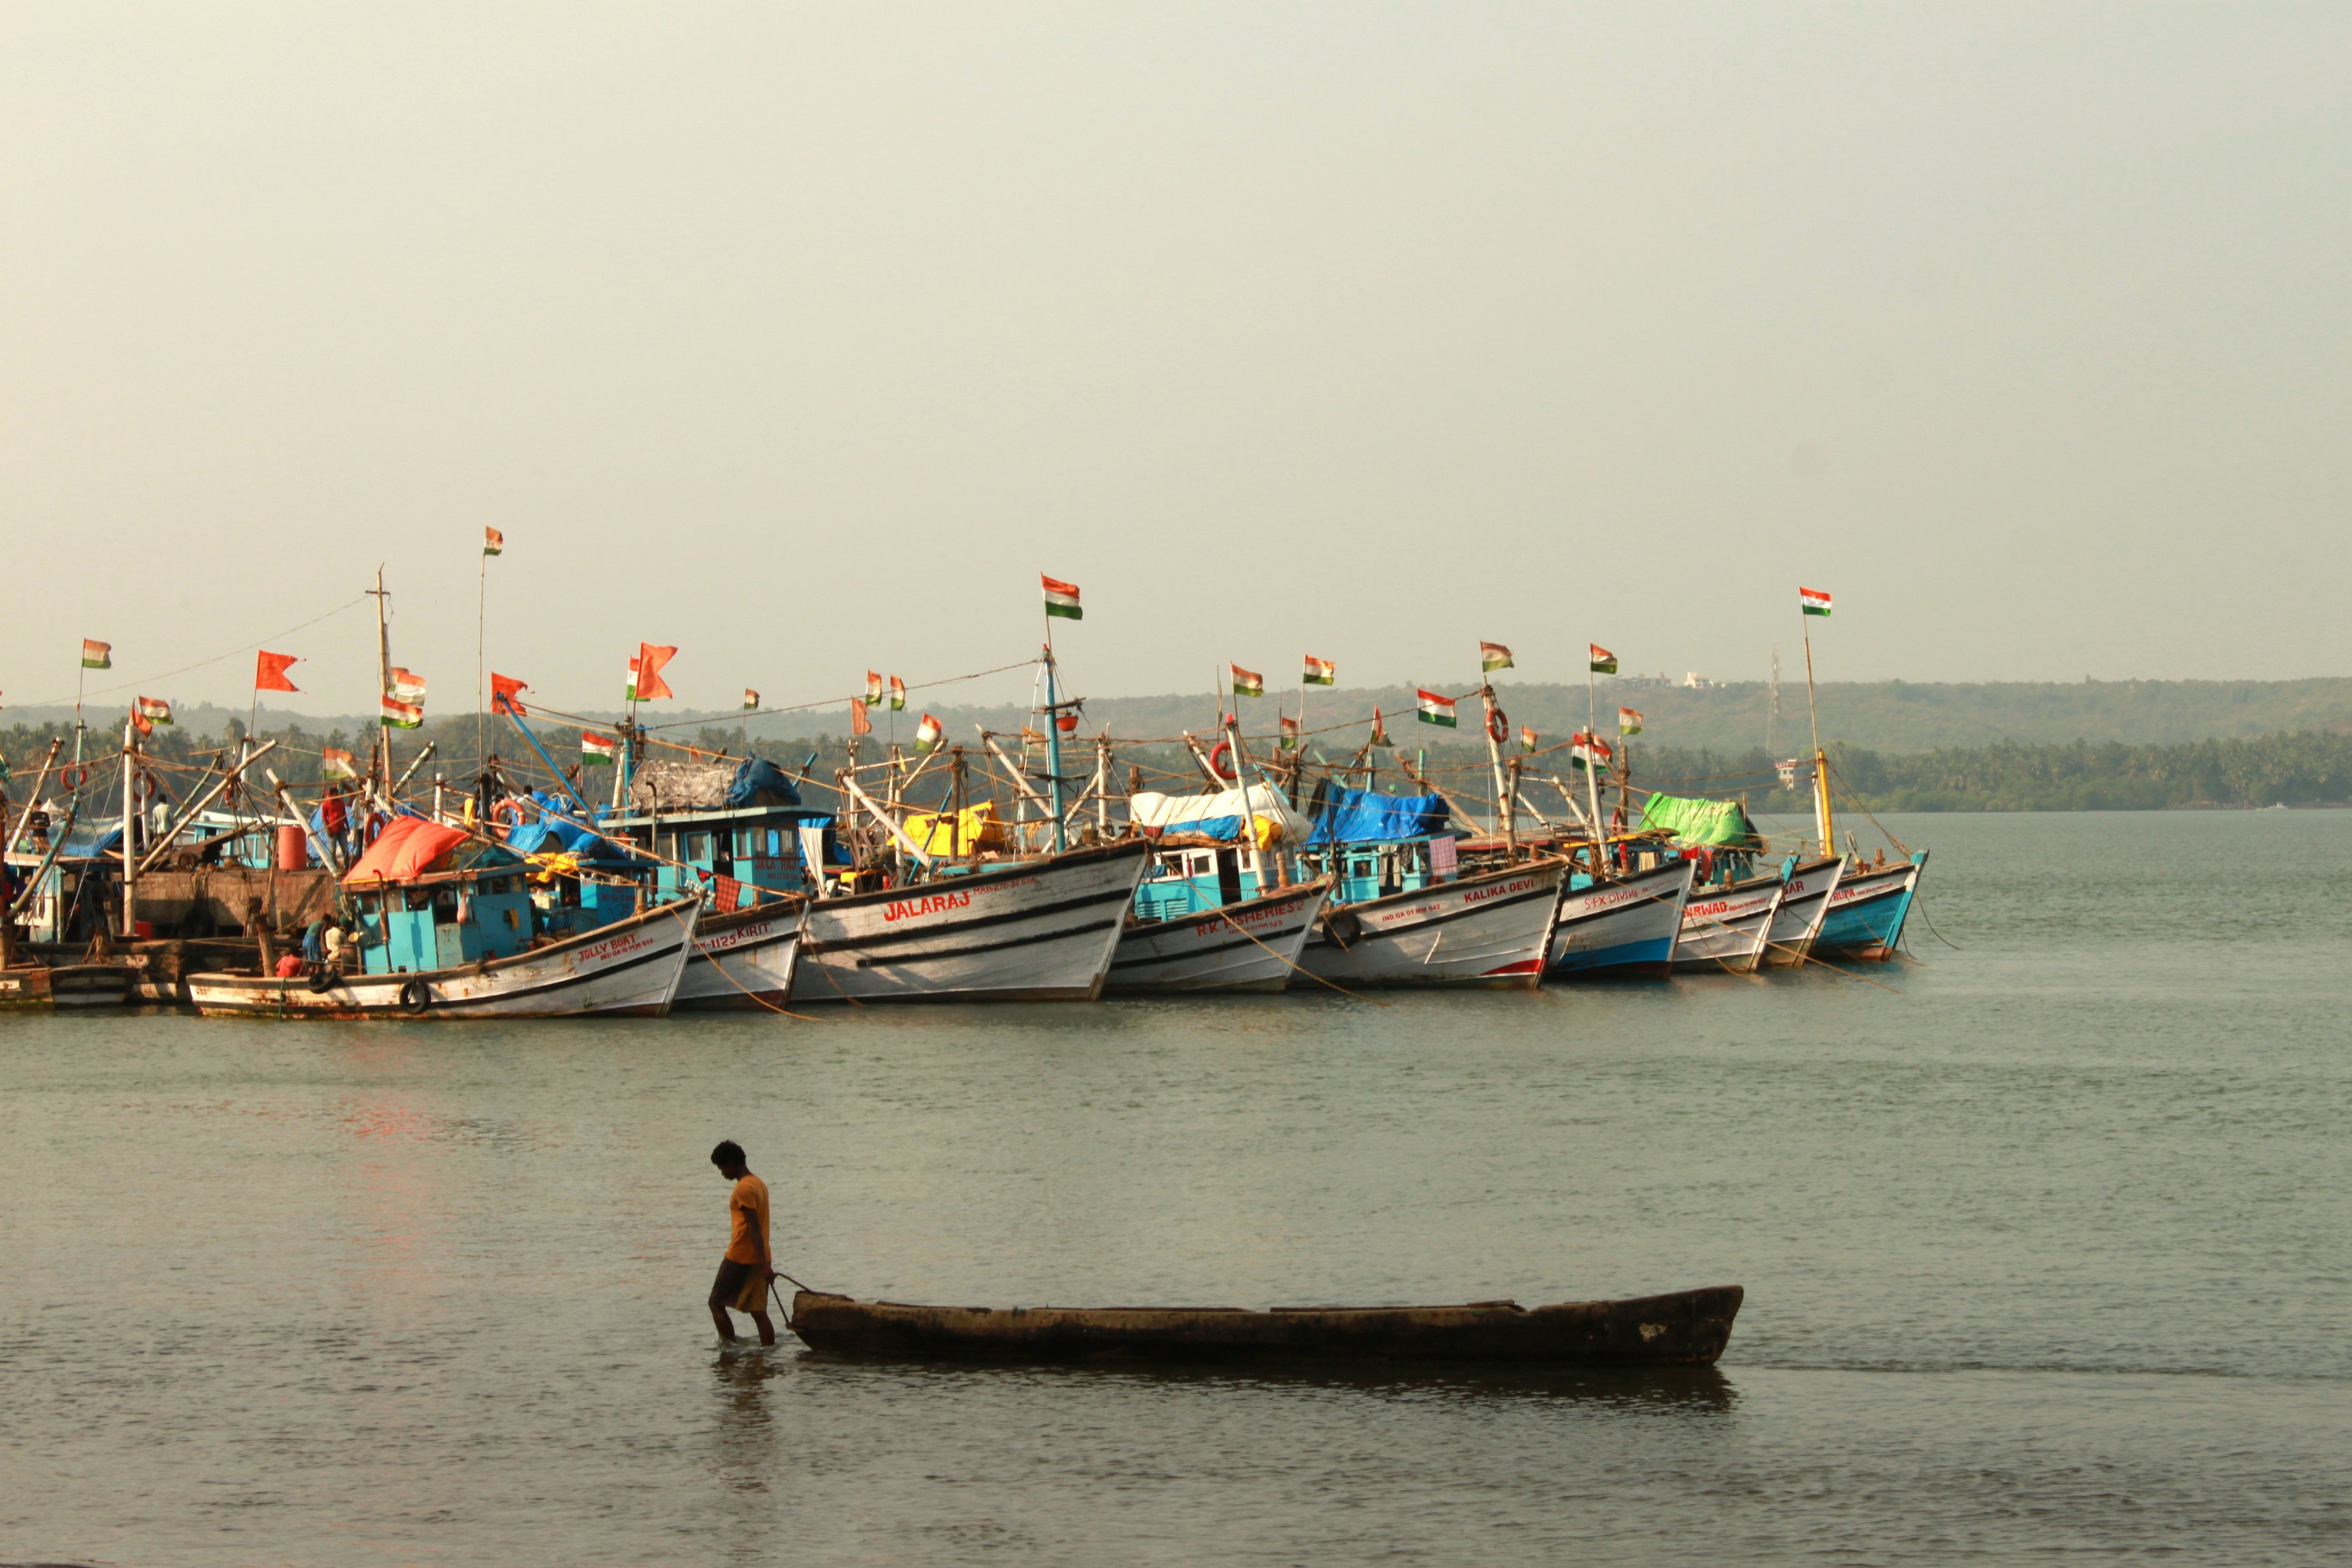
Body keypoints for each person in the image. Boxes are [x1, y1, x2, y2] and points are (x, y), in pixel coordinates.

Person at [706, 1140, 777, 1345]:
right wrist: (764, 1263)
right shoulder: (759, 1183)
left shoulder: (743, 1189)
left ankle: (729, 1351)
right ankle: (767, 1356)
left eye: (722, 1168)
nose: (722, 1174)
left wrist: (763, 1264)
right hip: (761, 1256)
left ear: (730, 1163)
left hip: (741, 1257)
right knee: (759, 1311)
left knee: (715, 1302)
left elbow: (753, 1227)